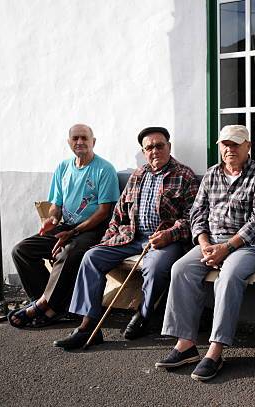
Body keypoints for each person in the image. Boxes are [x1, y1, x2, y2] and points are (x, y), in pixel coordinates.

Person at [53, 127, 198, 350]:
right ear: (143, 151)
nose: (155, 151)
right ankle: (88, 325)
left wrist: (170, 234)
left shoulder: (184, 175)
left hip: (164, 240)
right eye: (149, 147)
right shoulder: (138, 175)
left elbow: (193, 217)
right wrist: (109, 237)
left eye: (160, 145)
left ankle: (144, 314)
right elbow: (118, 214)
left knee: (156, 265)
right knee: (92, 256)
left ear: (168, 147)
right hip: (131, 236)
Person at [156, 125, 255, 381]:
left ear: (248, 147)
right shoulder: (212, 174)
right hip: (211, 242)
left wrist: (227, 247)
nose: (229, 149)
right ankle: (186, 343)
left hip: (249, 245)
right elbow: (197, 213)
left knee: (229, 275)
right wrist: (203, 244)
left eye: (235, 144)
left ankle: (216, 349)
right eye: (225, 144)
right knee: (181, 268)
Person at [9, 124, 119, 328]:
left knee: (68, 252)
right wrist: (51, 219)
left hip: (94, 230)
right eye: (75, 138)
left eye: (84, 138)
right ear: (69, 143)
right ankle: (48, 304)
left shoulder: (104, 169)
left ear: (93, 141)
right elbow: (56, 205)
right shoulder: (63, 167)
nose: (80, 142)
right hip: (66, 227)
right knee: (22, 250)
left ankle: (45, 308)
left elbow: (104, 212)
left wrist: (73, 232)